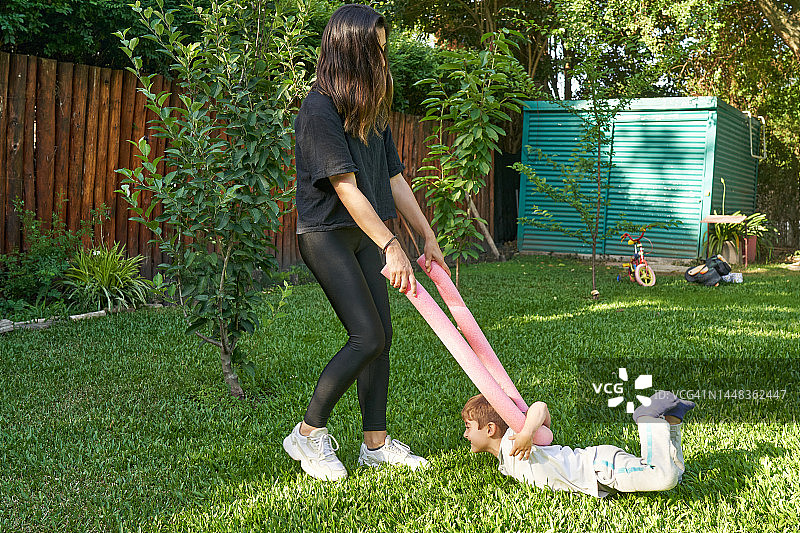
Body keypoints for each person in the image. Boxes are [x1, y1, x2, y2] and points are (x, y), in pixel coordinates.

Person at [282, 4, 450, 481]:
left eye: (383, 51)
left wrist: (426, 234)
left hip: (365, 234)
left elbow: (393, 177)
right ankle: (308, 433)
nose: (381, 61)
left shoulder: (370, 109)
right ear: (346, 51)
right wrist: (391, 245)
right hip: (327, 236)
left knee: (383, 339)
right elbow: (346, 188)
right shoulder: (318, 109)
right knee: (367, 336)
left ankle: (374, 445)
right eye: (372, 52)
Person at [461, 391, 695, 497]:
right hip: (599, 477)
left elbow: (540, 407)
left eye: (468, 427)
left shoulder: (515, 437)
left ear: (490, 429)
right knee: (676, 473)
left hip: (597, 468)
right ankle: (672, 418)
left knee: (663, 478)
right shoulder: (504, 460)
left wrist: (526, 433)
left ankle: (648, 418)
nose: (465, 434)